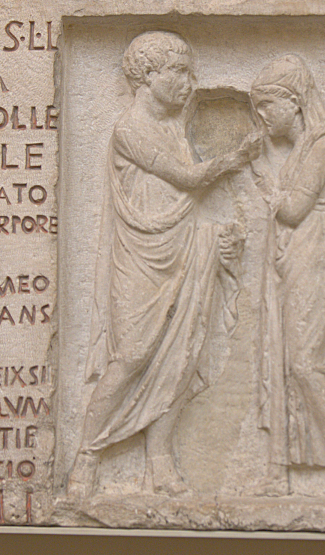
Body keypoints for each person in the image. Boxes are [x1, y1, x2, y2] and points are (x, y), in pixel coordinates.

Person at [67, 31, 258, 501]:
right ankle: (87, 457)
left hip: (186, 247)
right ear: (148, 75)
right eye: (179, 71)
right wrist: (238, 157)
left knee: (183, 351)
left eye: (192, 73)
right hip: (140, 256)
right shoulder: (129, 128)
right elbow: (188, 179)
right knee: (132, 355)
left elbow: (188, 197)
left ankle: (159, 461)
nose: (189, 83)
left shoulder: (175, 125)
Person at [248, 54, 325, 503]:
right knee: (280, 362)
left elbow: (294, 210)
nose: (263, 117)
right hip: (289, 262)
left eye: (268, 106)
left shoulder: (324, 146)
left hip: (312, 263)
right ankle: (278, 472)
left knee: (307, 368)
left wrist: (259, 176)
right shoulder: (301, 150)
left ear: (294, 103)